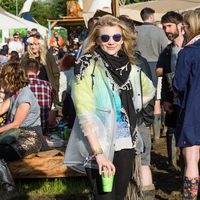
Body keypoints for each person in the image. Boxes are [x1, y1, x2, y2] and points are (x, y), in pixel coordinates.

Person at [64, 15, 155, 200]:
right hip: (98, 143)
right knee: (105, 196)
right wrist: (99, 154)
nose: (111, 42)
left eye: (116, 37)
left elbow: (149, 90)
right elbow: (85, 113)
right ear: (97, 40)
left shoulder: (130, 67)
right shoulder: (86, 67)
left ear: (123, 40)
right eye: (105, 38)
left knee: (119, 196)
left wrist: (132, 106)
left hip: (125, 141)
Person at [118, 15, 155, 199]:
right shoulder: (139, 62)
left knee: (139, 164)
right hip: (133, 121)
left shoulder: (137, 62)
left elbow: (149, 91)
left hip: (127, 122)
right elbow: (151, 92)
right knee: (143, 164)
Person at [173, 10, 200, 199]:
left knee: (191, 160)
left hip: (194, 111)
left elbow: (179, 85)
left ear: (189, 28)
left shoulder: (187, 53)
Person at [156, 11, 186, 169]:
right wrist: (165, 99)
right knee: (172, 130)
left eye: (169, 26)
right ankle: (172, 163)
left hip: (191, 98)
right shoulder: (167, 51)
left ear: (180, 25)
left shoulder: (191, 46)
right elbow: (162, 74)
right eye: (164, 27)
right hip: (173, 98)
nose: (166, 30)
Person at [136, 7, 169, 140]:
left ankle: (147, 129)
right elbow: (165, 50)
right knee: (157, 98)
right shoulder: (160, 32)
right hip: (156, 66)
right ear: (151, 17)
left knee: (143, 96)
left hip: (139, 66)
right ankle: (158, 132)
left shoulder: (136, 31)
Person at [0, 62, 48, 153]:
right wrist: (2, 91)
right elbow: (1, 109)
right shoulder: (14, 93)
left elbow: (16, 124)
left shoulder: (25, 97)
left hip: (30, 137)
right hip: (17, 134)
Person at [21, 36, 60, 107]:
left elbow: (56, 74)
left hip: (45, 90)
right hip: (29, 89)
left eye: (36, 44)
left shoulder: (48, 56)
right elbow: (21, 73)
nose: (33, 47)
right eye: (31, 44)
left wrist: (55, 88)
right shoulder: (25, 57)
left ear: (40, 45)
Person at [24, 58, 53, 135]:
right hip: (42, 129)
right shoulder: (47, 85)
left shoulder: (21, 84)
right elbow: (50, 107)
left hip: (24, 129)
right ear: (38, 72)